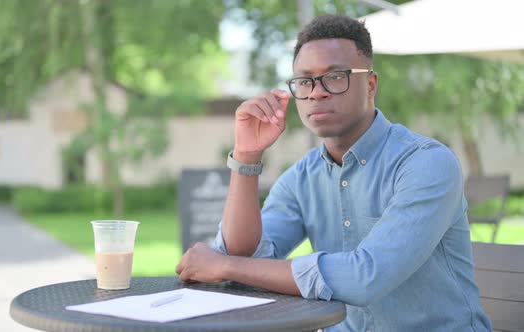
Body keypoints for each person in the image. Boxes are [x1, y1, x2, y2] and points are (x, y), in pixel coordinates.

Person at [176, 14, 492, 331]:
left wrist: (227, 266)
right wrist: (246, 156)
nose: (316, 92)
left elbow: (365, 278)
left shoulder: (426, 164)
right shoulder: (301, 178)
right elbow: (244, 254)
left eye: (335, 77)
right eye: (304, 80)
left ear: (370, 85)